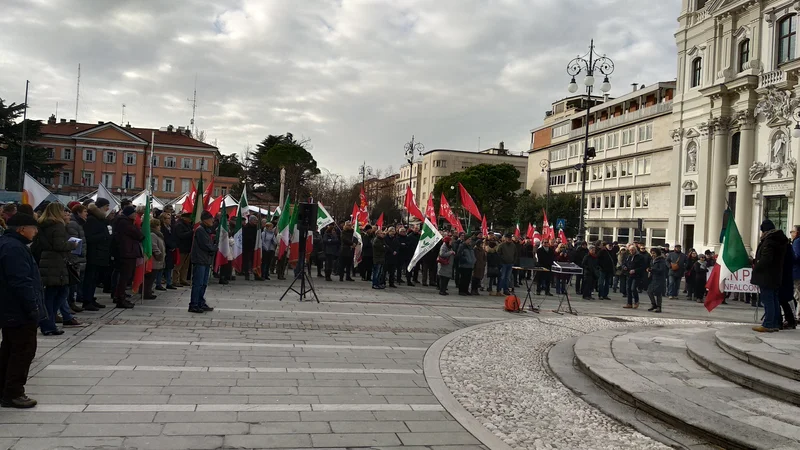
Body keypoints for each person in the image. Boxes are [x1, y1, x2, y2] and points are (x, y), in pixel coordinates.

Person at [0, 213, 45, 408]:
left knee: (9, 349)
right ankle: (13, 393)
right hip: (18, 309)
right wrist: (33, 306)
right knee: (23, 351)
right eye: (33, 228)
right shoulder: (15, 248)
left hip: (10, 307)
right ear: (21, 229)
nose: (35, 232)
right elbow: (21, 281)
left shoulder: (8, 244)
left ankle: (4, 389)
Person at [34, 203, 83, 334]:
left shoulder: (43, 224)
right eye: (63, 211)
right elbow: (59, 245)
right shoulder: (57, 225)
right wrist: (72, 244)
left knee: (53, 294)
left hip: (47, 260)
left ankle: (47, 322)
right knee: (57, 294)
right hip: (56, 262)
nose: (65, 213)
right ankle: (48, 324)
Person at [751, 219, 788, 332]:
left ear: (765, 231)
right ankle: (775, 323)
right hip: (775, 275)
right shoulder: (779, 240)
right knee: (774, 299)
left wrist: (756, 267)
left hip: (767, 276)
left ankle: (768, 324)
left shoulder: (769, 241)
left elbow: (766, 259)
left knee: (768, 300)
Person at [111, 206, 143, 309]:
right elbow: (139, 235)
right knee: (125, 277)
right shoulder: (125, 223)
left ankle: (119, 296)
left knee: (124, 276)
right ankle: (120, 298)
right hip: (127, 252)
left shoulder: (122, 221)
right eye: (133, 213)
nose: (135, 215)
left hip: (126, 252)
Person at [189, 211, 216, 314]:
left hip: (205, 260)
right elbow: (206, 245)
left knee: (204, 283)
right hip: (200, 259)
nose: (212, 221)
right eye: (210, 219)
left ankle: (200, 302)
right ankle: (194, 304)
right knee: (198, 283)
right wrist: (215, 248)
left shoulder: (206, 230)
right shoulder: (200, 230)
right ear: (205, 220)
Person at [66, 204, 88, 312]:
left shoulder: (79, 223)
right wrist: (78, 254)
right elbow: (74, 241)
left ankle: (71, 302)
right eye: (85, 212)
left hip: (79, 257)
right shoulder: (73, 224)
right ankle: (70, 303)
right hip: (75, 257)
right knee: (72, 283)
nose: (86, 214)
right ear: (79, 213)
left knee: (76, 282)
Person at [145, 220, 166, 300]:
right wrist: (158, 254)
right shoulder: (153, 234)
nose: (160, 227)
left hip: (157, 260)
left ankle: (148, 290)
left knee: (152, 277)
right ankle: (147, 292)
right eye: (159, 225)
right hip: (153, 259)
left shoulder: (158, 234)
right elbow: (153, 245)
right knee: (150, 277)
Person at [157, 212, 178, 290]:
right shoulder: (162, 228)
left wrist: (174, 245)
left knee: (169, 267)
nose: (170, 220)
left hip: (170, 250)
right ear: (163, 219)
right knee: (161, 267)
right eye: (168, 218)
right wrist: (170, 245)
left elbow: (174, 237)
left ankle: (169, 283)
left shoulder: (170, 227)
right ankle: (158, 283)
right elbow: (164, 238)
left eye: (170, 218)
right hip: (164, 249)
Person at [173, 213, 193, 287]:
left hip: (187, 248)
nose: (190, 219)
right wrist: (191, 232)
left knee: (185, 266)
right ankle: (175, 280)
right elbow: (181, 235)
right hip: (181, 247)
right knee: (178, 265)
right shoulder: (179, 225)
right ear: (185, 218)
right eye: (189, 218)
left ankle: (183, 279)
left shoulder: (188, 225)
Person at [623, 244, 645, 309]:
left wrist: (635, 270)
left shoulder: (640, 257)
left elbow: (642, 267)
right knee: (628, 288)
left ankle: (636, 301)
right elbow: (624, 263)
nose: (631, 251)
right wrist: (624, 267)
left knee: (633, 288)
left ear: (635, 250)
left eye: (632, 250)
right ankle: (629, 303)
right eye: (630, 250)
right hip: (629, 274)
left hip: (637, 275)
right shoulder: (628, 256)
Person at [647, 248, 667, 313]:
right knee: (649, 291)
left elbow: (661, 270)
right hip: (653, 278)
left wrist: (652, 269)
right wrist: (649, 269)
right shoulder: (652, 260)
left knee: (658, 293)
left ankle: (659, 306)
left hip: (659, 278)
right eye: (651, 253)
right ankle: (653, 304)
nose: (652, 254)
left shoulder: (661, 260)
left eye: (654, 253)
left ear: (657, 253)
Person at [242, 215, 258, 280]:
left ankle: (256, 274)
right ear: (251, 220)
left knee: (255, 261)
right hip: (247, 247)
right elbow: (245, 237)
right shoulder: (246, 227)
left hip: (255, 247)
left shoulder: (256, 228)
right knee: (247, 261)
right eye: (255, 220)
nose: (256, 222)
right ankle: (246, 274)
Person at [791, 225, 800, 308]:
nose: (791, 233)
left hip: (796, 272)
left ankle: (797, 315)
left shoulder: (797, 242)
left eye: (792, 232)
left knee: (797, 295)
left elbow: (796, 256)